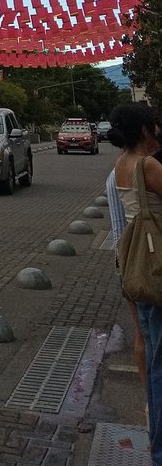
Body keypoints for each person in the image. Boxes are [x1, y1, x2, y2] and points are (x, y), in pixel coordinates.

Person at [109, 103, 162, 461]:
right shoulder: (148, 165)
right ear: (145, 130)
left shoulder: (120, 165)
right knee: (161, 364)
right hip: (158, 266)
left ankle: (155, 438)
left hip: (138, 266)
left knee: (156, 358)